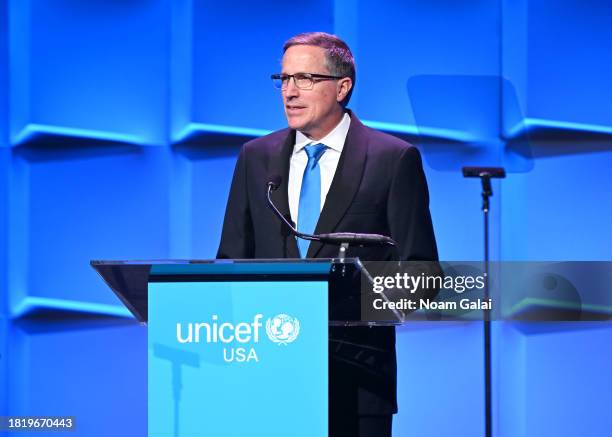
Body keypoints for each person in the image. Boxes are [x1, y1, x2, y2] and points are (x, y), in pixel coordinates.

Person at [217, 32, 438, 437]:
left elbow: (423, 273)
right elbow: (230, 261)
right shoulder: (256, 157)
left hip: (357, 381)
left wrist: (351, 297)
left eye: (305, 78)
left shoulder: (392, 159)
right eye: (283, 79)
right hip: (270, 375)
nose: (290, 91)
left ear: (342, 87)